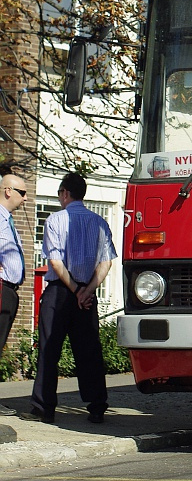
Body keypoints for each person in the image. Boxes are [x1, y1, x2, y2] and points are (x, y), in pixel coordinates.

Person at [21, 173, 116, 424]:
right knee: (89, 350)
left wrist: (74, 290)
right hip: (87, 291)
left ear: (64, 193)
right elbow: (106, 261)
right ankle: (97, 406)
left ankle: (44, 407)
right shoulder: (100, 222)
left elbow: (55, 260)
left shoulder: (54, 220)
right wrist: (88, 290)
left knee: (50, 348)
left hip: (60, 291)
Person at [0, 171, 29, 417]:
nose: (26, 198)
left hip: (10, 290)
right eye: (22, 193)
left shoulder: (7, 219)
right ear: (8, 191)